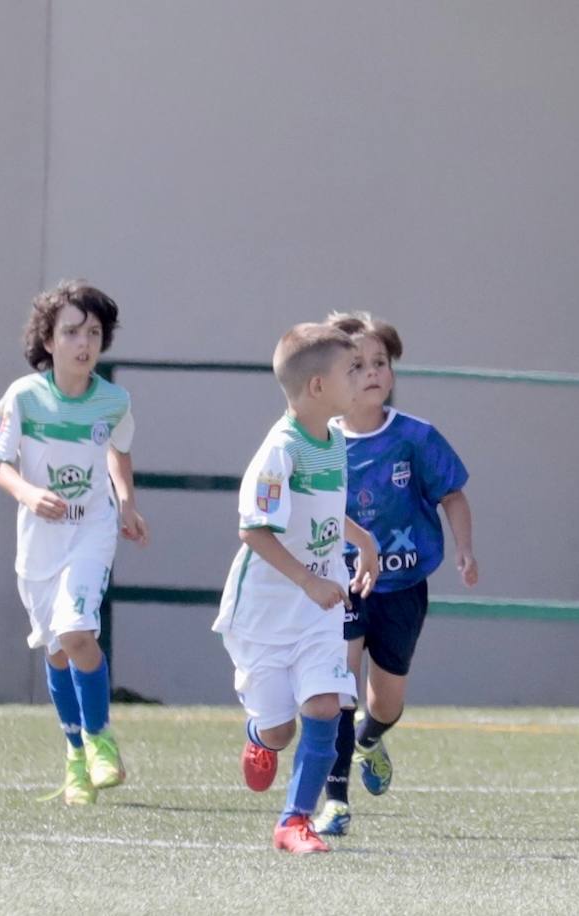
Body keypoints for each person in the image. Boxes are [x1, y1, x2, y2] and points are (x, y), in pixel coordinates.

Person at [211, 322, 380, 855]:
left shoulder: (333, 440)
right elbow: (253, 529)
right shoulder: (280, 451)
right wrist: (306, 579)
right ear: (316, 387)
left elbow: (326, 508)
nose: (364, 378)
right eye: (351, 370)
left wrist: (362, 540)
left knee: (327, 705)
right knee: (282, 730)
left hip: (319, 606)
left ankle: (294, 821)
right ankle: (261, 736)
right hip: (266, 609)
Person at [312, 312, 478, 838]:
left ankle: (368, 739)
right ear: (335, 374)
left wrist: (465, 550)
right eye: (356, 364)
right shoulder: (319, 441)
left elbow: (452, 494)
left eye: (379, 362)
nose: (371, 372)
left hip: (404, 585)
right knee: (340, 686)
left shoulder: (415, 437)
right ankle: (334, 798)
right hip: (344, 581)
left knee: (386, 702)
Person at [0, 281, 149, 806]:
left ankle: (101, 741)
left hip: (90, 531)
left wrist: (125, 501)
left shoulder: (114, 400)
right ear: (49, 341)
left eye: (94, 332)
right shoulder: (23, 397)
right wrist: (29, 493)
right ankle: (76, 755)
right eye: (72, 331)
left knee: (77, 631)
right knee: (55, 653)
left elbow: (118, 453)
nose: (84, 342)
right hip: (39, 541)